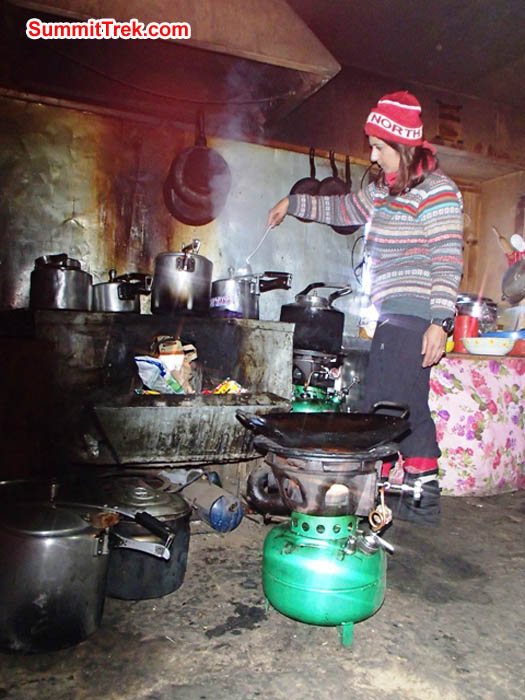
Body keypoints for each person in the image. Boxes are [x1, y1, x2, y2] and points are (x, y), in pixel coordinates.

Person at [267, 91, 464, 525]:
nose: (372, 155)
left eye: (379, 147)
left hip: (415, 313)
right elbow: (343, 207)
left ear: (404, 148)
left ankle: (408, 498)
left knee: (388, 405)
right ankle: (412, 501)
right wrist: (293, 204)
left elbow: (448, 258)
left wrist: (440, 323)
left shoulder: (438, 192)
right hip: (393, 313)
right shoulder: (384, 192)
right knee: (403, 403)